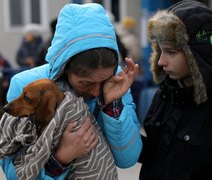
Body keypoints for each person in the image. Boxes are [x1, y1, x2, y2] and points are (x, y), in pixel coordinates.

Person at [0, 3, 142, 179]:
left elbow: (128, 159)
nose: (97, 91)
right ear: (64, 68)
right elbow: (13, 173)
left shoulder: (116, 82)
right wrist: (61, 158)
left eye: (103, 80)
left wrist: (113, 105)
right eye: (86, 83)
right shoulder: (27, 86)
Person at [139, 1, 212, 180]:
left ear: (196, 55)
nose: (161, 61)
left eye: (170, 52)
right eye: (160, 51)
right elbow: (155, 154)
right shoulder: (165, 93)